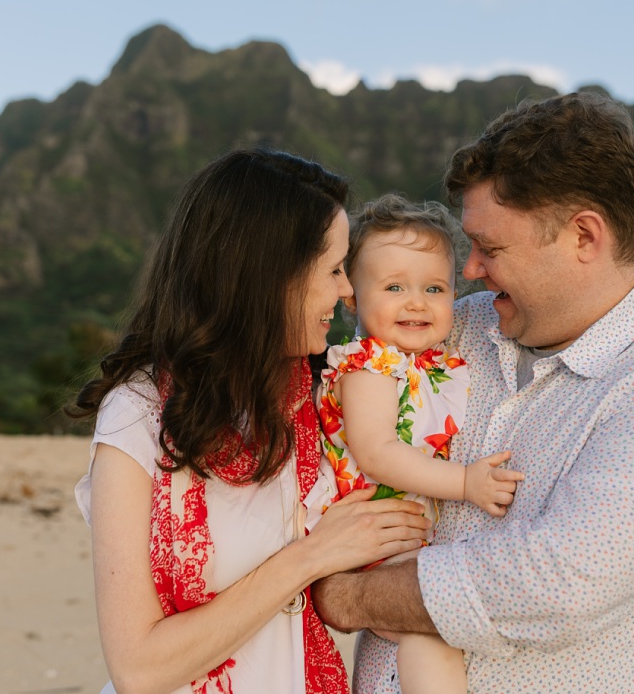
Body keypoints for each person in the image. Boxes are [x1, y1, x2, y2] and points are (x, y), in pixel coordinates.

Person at [312, 92, 634, 693]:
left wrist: (348, 593)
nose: (468, 271)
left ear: (584, 237)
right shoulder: (454, 325)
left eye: (491, 248)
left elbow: (555, 584)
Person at [71, 149, 431, 694]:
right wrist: (309, 557)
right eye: (332, 269)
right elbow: (138, 669)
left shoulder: (321, 396)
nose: (346, 291)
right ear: (270, 277)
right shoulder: (139, 413)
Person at [303, 194, 525, 694]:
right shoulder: (368, 367)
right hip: (368, 537)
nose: (417, 302)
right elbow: (378, 452)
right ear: (353, 298)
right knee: (434, 632)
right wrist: (465, 483)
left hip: (395, 534)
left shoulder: (428, 363)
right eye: (394, 286)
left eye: (435, 288)